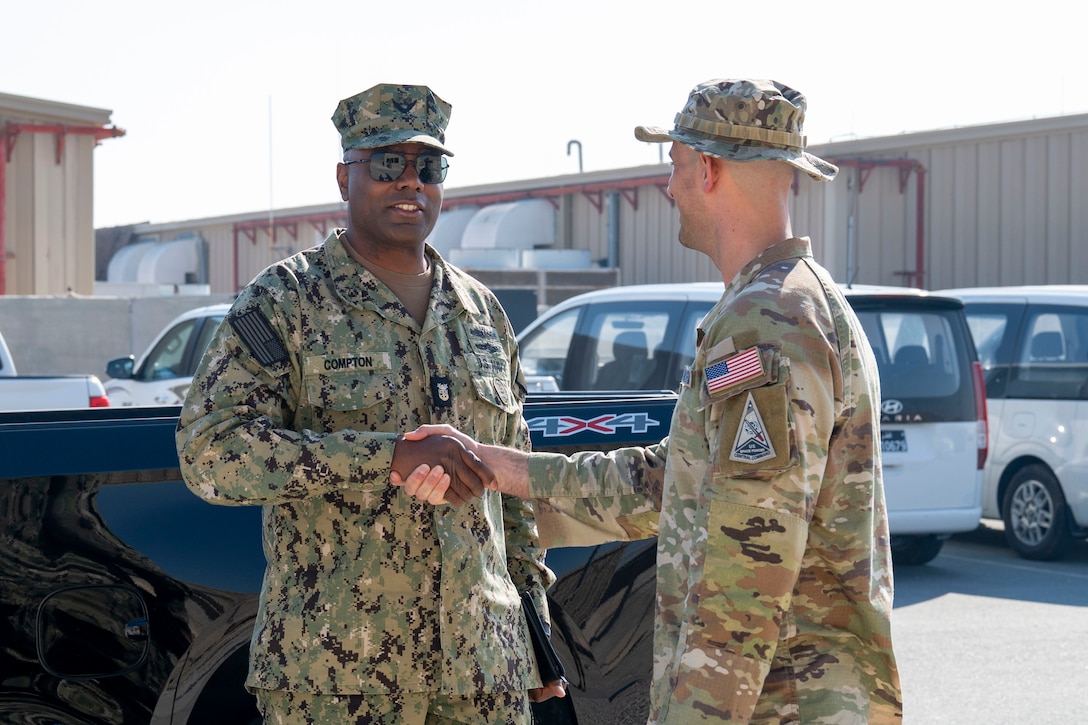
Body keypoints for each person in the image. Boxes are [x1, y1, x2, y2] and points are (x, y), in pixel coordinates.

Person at [395, 79, 903, 723]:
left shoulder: (767, 320)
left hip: (777, 704)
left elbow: (748, 567)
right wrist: (500, 468)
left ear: (708, 169)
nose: (669, 186)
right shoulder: (794, 301)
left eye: (675, 163)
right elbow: (670, 485)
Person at [176, 83, 563, 725]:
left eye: (429, 167)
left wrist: (534, 635)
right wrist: (388, 458)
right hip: (338, 677)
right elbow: (210, 452)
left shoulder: (481, 312)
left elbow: (515, 495)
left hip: (482, 673)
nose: (410, 182)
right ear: (344, 178)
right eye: (387, 164)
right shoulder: (287, 300)